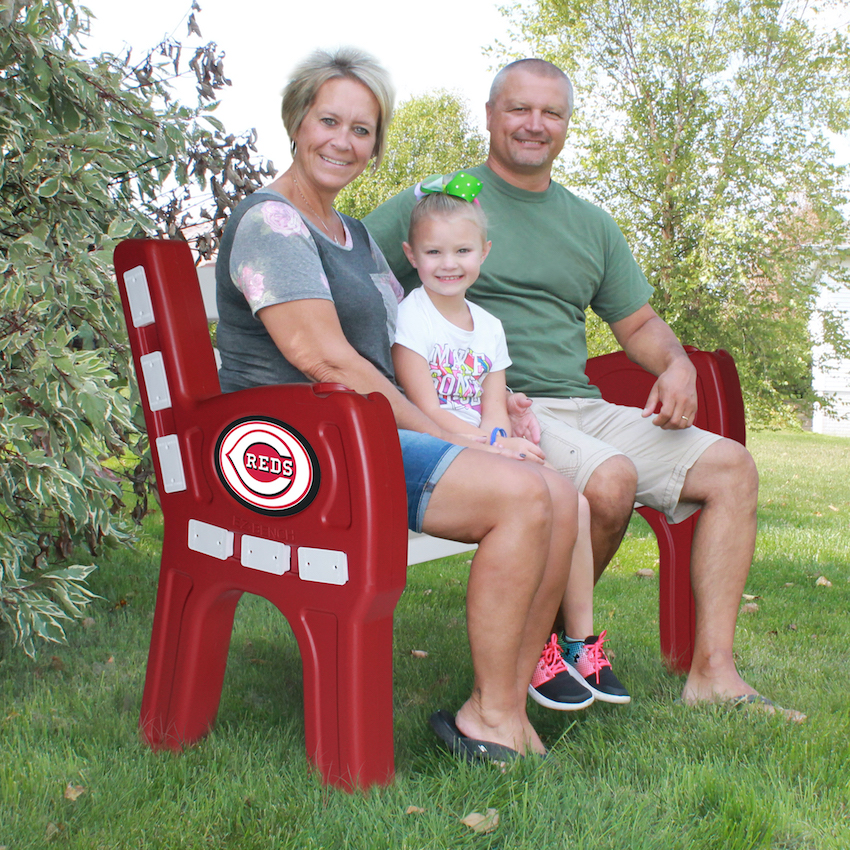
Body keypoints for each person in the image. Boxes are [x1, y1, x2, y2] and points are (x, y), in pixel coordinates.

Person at [365, 58, 805, 720]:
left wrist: (676, 364)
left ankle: (713, 673)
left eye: (552, 112)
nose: (534, 124)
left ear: (567, 125)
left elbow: (638, 324)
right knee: (610, 480)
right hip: (503, 409)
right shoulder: (442, 204)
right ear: (490, 115)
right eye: (519, 108)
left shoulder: (590, 223)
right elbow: (350, 269)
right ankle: (547, 647)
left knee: (732, 469)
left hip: (586, 404)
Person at [215, 46, 587, 762]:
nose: (343, 141)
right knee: (522, 496)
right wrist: (460, 440)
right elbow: (325, 360)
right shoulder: (271, 223)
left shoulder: (353, 235)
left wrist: (488, 405)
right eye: (329, 121)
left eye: (362, 129)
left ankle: (503, 707)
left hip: (362, 432)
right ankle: (493, 715)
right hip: (296, 450)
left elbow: (404, 349)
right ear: (297, 122)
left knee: (560, 494)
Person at [391, 174, 629, 708]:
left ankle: (577, 643)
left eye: (462, 250)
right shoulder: (412, 316)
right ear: (411, 255)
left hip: (485, 444)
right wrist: (495, 448)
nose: (448, 263)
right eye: (433, 251)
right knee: (538, 500)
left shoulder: (489, 326)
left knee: (575, 502)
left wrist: (503, 439)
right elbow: (426, 409)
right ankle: (531, 649)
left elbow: (493, 403)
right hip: (440, 446)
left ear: (484, 252)